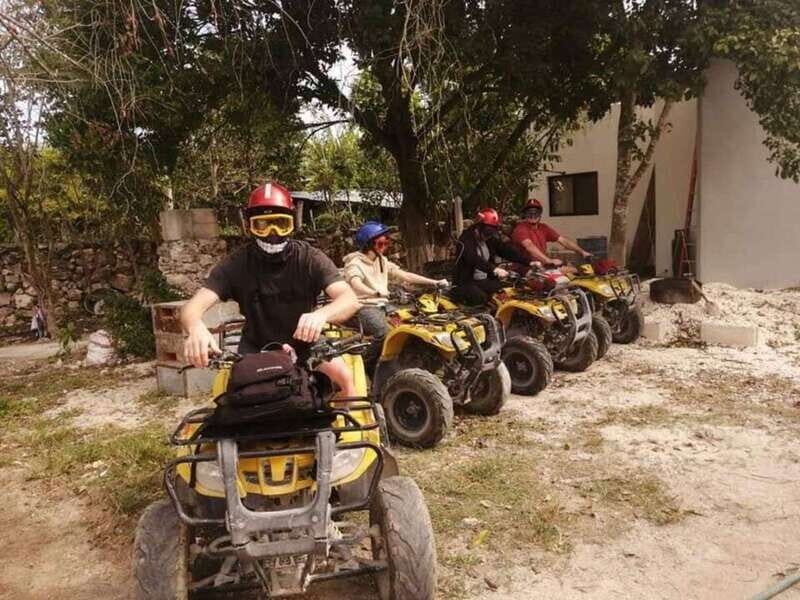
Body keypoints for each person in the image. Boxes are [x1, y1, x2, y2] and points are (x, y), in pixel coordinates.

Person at [181, 181, 361, 395]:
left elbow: (349, 299)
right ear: (250, 227)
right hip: (255, 350)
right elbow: (191, 308)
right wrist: (195, 327)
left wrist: (321, 315)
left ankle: (344, 428)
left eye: (280, 223)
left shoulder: (309, 258)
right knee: (236, 400)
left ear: (292, 224)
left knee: (345, 379)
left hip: (306, 346)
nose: (272, 233)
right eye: (262, 225)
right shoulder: (236, 264)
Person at [343, 221, 448, 366]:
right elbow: (356, 283)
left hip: (384, 305)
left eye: (387, 243)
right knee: (383, 333)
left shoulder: (381, 260)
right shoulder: (354, 263)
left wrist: (434, 282)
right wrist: (375, 292)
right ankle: (365, 364)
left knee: (412, 324)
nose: (385, 247)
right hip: (364, 306)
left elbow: (405, 275)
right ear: (368, 245)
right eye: (381, 244)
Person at [451, 208, 535, 306]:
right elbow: (472, 258)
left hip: (484, 281)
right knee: (480, 298)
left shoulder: (488, 239)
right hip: (466, 282)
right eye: (487, 232)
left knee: (509, 291)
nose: (489, 236)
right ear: (477, 227)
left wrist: (529, 262)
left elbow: (505, 250)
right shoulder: (465, 241)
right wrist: (494, 269)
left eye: (491, 232)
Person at [511, 199, 592, 270]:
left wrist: (582, 252)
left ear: (540, 215)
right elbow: (529, 246)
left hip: (542, 268)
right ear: (525, 214)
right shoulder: (520, 229)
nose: (533, 215)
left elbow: (563, 240)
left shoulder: (543, 228)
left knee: (575, 272)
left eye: (536, 212)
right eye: (529, 213)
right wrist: (548, 260)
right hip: (525, 269)